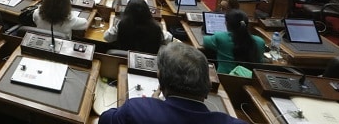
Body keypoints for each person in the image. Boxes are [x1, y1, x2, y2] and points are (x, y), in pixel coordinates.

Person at [99, 42, 247, 124]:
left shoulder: (136, 110)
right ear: (207, 84)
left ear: (160, 79)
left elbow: (104, 119)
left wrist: (153, 105)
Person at [203, 9, 265, 74]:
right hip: (250, 78)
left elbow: (205, 41)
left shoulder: (220, 37)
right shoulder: (260, 42)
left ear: (226, 24)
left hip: (224, 78)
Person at [103, 0, 170, 53]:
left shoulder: (122, 25)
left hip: (125, 60)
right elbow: (170, 41)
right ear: (147, 12)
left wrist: (114, 26)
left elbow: (106, 37)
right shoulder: (156, 27)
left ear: (127, 11)